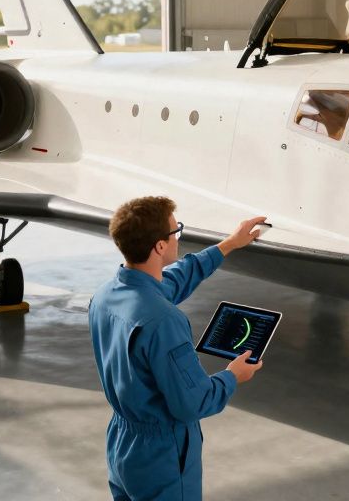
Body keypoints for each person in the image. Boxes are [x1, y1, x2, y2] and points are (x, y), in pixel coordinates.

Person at [90, 196, 268, 501]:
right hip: (162, 456)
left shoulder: (106, 295)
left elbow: (175, 278)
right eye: (176, 232)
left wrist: (228, 244)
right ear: (160, 246)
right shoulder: (163, 320)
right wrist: (231, 376)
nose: (178, 238)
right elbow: (192, 403)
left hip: (122, 445)